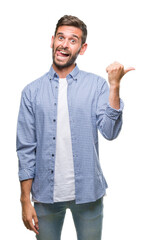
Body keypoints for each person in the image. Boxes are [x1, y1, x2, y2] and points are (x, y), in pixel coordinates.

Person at [16, 15, 135, 240]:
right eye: (61, 37)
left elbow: (110, 132)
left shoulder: (97, 85)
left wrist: (114, 86)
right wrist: (24, 200)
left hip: (89, 193)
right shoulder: (31, 92)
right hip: (44, 196)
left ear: (82, 48)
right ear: (52, 41)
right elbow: (25, 149)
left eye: (73, 40)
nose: (64, 44)